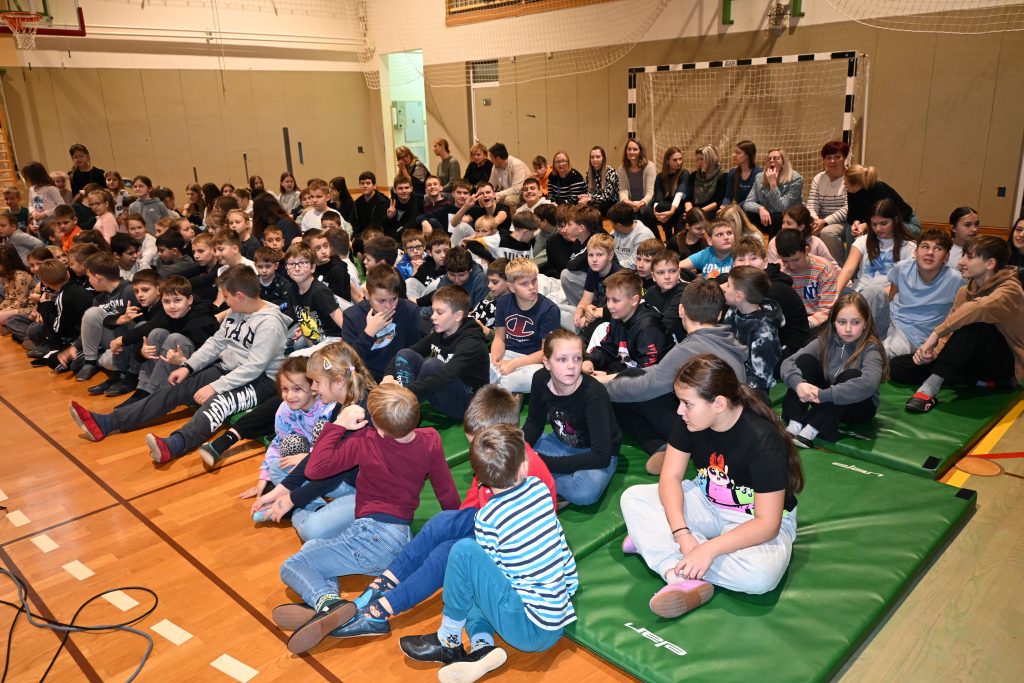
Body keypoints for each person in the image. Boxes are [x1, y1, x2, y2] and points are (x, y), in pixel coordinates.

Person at [324, 386, 555, 644]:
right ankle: (383, 585)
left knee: (446, 553)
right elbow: (474, 501)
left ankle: (383, 610)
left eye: (475, 446)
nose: (473, 453)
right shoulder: (498, 456)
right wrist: (452, 525)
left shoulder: (527, 469)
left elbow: (535, 532)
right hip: (487, 520)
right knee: (442, 523)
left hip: (509, 542)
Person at [274, 384, 460, 655]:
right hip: (398, 540)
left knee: (292, 565)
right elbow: (447, 493)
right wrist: (453, 531)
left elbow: (315, 469)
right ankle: (326, 604)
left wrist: (338, 424)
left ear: (380, 428)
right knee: (313, 547)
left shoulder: (367, 441)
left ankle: (328, 604)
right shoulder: (430, 438)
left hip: (371, 536)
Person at [619, 354, 803, 618]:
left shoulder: (763, 441)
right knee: (633, 497)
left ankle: (656, 542)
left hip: (754, 521)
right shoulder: (690, 420)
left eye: (687, 404)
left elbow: (767, 524)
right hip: (707, 499)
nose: (679, 411)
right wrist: (682, 534)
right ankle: (676, 575)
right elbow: (670, 477)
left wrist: (708, 549)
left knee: (760, 577)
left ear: (718, 404)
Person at [399, 423, 578, 681]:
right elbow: (560, 544)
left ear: (480, 479)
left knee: (463, 553)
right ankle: (482, 648)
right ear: (524, 467)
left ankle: (448, 640)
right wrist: (569, 587)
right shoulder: (540, 490)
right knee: (476, 578)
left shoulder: (488, 517)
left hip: (526, 628)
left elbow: (486, 579)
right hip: (555, 620)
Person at [69, 265, 290, 464]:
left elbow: (253, 368)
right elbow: (215, 343)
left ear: (240, 296)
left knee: (217, 403)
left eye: (226, 297)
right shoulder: (237, 311)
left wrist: (215, 387)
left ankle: (175, 444)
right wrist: (188, 367)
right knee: (174, 389)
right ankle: (107, 423)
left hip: (261, 381)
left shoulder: (269, 324)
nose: (225, 302)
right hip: (227, 369)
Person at [602, 279, 748, 475]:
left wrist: (601, 390)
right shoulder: (726, 341)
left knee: (626, 393)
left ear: (681, 310)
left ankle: (660, 445)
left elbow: (647, 385)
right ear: (720, 314)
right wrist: (612, 378)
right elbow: (657, 371)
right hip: (727, 427)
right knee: (633, 377)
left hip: (705, 432)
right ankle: (663, 446)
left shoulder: (690, 349)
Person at [893, 236, 1024, 413]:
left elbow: (980, 308)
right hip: (970, 360)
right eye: (963, 256)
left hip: (1003, 363)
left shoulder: (1011, 289)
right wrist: (933, 354)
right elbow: (950, 329)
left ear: (990, 263)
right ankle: (974, 381)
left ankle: (928, 389)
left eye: (969, 257)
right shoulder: (965, 290)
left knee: (975, 323)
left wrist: (934, 334)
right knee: (899, 366)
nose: (961, 262)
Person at [523, 328, 622, 507]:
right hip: (559, 442)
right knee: (512, 450)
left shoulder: (594, 394)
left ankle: (535, 476)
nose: (572, 366)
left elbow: (601, 455)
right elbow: (534, 423)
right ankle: (543, 476)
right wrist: (517, 449)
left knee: (584, 492)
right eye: (562, 359)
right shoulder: (540, 379)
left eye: (577, 358)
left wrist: (544, 463)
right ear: (547, 363)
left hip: (593, 452)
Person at [781, 292, 887, 446]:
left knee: (852, 375)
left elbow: (869, 384)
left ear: (866, 323)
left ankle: (812, 428)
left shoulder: (870, 349)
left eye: (856, 322)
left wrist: (824, 394)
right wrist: (799, 384)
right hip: (823, 399)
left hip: (856, 407)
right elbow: (788, 362)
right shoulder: (824, 341)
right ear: (833, 322)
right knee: (805, 361)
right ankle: (795, 422)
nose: (848, 329)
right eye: (842, 322)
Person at [110, 275, 219, 404]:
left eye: (177, 300)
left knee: (175, 338)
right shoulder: (167, 318)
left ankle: (152, 396)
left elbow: (213, 361)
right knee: (157, 333)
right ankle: (143, 389)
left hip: (199, 376)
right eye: (166, 301)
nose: (172, 306)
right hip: (177, 373)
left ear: (190, 300)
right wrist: (142, 352)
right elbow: (143, 337)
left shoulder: (201, 322)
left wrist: (184, 362)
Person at [241, 356, 336, 501]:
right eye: (285, 389)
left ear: (314, 388)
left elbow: (335, 449)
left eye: (297, 389)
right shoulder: (285, 410)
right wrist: (264, 477)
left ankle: (308, 495)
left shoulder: (329, 409)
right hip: (305, 465)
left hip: (327, 461)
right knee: (286, 448)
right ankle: (312, 501)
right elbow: (278, 443)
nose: (290, 396)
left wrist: (306, 458)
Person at [386, 284, 489, 419]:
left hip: (468, 405)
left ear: (458, 315)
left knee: (432, 365)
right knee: (405, 354)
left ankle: (403, 402)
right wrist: (388, 376)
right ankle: (404, 405)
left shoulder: (471, 342)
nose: (433, 317)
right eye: (433, 311)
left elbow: (446, 375)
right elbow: (407, 353)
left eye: (439, 312)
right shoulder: (441, 333)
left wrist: (406, 390)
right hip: (444, 392)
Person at [835, 198, 916, 337]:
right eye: (874, 224)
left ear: (895, 220)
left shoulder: (909, 247)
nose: (878, 228)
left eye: (884, 223)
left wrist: (872, 297)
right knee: (841, 294)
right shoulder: (862, 241)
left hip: (886, 299)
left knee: (872, 293)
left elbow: (903, 284)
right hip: (858, 294)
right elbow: (848, 270)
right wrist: (835, 293)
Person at [885, 228, 963, 358]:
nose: (930, 252)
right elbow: (891, 296)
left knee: (886, 352)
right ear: (916, 252)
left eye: (938, 249)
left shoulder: (956, 280)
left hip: (916, 335)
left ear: (946, 257)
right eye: (925, 247)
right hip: (891, 320)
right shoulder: (902, 268)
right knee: (872, 292)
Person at [490, 258, 561, 393]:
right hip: (507, 354)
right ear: (511, 287)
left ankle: (496, 388)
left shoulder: (550, 310)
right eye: (524, 283)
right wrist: (495, 360)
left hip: (533, 361)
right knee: (480, 363)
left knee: (538, 377)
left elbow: (546, 352)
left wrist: (513, 364)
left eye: (534, 281)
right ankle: (503, 388)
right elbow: (499, 338)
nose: (532, 287)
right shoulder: (503, 302)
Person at [341, 264, 421, 380]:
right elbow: (348, 361)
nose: (388, 306)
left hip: (399, 374)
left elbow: (414, 352)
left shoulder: (409, 310)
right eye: (381, 301)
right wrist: (369, 332)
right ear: (367, 294)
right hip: (366, 378)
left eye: (394, 299)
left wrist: (394, 376)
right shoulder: (352, 316)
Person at [586, 270, 665, 373]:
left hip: (653, 377)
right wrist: (590, 361)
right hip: (628, 369)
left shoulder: (648, 328)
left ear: (634, 300)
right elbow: (608, 349)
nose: (609, 306)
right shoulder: (618, 316)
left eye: (615, 300)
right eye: (608, 299)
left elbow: (646, 373)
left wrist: (608, 377)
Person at [722, 266, 783, 394]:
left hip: (753, 389)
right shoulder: (734, 310)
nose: (724, 288)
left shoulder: (762, 332)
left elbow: (761, 378)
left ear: (739, 296)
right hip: (733, 372)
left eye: (728, 285)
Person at [283, 243, 346, 356]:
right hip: (316, 338)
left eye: (303, 263)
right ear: (286, 269)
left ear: (312, 267)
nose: (297, 268)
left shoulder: (319, 292)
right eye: (291, 264)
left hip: (333, 340)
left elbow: (344, 324)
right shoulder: (291, 289)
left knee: (294, 356)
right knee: (290, 344)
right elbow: (304, 318)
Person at [775, 229, 840, 330]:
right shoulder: (778, 270)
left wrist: (802, 326)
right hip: (788, 321)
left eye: (796, 260)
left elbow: (826, 309)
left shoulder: (823, 269)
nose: (791, 266)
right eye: (785, 261)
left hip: (816, 321)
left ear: (806, 250)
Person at [844, 164, 920, 238]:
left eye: (846, 182)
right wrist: (855, 222)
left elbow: (887, 220)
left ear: (857, 185)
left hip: (905, 223)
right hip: (880, 223)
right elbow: (852, 215)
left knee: (878, 230)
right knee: (851, 229)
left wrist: (866, 225)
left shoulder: (878, 190)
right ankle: (854, 247)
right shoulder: (852, 191)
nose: (844, 184)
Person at [742, 148, 803, 238]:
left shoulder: (795, 179)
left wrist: (773, 184)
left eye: (776, 158)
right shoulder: (759, 177)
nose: (771, 161)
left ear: (783, 163)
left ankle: (774, 246)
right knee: (748, 214)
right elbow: (747, 203)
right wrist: (760, 208)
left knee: (777, 217)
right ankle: (751, 244)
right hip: (766, 217)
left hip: (788, 218)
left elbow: (782, 208)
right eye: (769, 159)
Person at [808, 141, 851, 264]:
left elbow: (847, 208)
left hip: (844, 222)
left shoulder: (850, 177)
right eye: (828, 157)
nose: (832, 161)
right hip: (820, 220)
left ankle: (841, 267)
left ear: (844, 158)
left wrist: (825, 222)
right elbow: (812, 203)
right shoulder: (819, 178)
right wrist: (815, 221)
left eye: (837, 157)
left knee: (827, 233)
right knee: (803, 229)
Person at [572, 232, 621, 326]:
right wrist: (579, 310)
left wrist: (589, 317)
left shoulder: (619, 276)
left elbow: (618, 308)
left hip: (611, 318)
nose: (594, 260)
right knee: (561, 310)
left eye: (599, 255)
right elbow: (586, 298)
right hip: (595, 311)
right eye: (590, 255)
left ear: (610, 256)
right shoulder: (592, 270)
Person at [767, 204, 836, 266]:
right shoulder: (774, 242)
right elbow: (772, 269)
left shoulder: (816, 242)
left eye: (789, 223)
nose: (783, 226)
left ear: (801, 227)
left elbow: (832, 265)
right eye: (783, 222)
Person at [645, 146, 689, 238]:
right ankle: (657, 239)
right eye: (675, 160)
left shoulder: (684, 174)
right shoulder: (660, 176)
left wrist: (671, 212)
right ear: (667, 161)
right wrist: (655, 211)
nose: (679, 162)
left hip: (677, 208)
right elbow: (658, 197)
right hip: (663, 209)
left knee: (665, 207)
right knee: (647, 212)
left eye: (680, 159)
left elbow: (679, 195)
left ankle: (669, 237)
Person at [645, 250, 686, 346]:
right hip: (653, 339)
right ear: (653, 276)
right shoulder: (651, 292)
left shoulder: (685, 292)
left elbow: (668, 323)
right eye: (661, 273)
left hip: (677, 344)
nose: (667, 277)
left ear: (679, 272)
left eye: (672, 271)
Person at [607, 201, 656, 271]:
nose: (611, 226)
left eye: (611, 223)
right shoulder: (617, 231)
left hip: (631, 273)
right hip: (616, 268)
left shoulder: (643, 235)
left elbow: (634, 264)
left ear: (619, 225)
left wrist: (609, 266)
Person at [686, 144, 727, 219]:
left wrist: (697, 213)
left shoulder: (723, 176)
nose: (699, 162)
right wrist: (689, 212)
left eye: (701, 159)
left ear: (710, 159)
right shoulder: (693, 175)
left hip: (711, 212)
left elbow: (717, 202)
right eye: (697, 160)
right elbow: (687, 198)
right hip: (693, 210)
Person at [21, 161, 66, 230]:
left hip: (52, 223)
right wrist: (33, 212)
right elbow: (30, 205)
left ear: (33, 176)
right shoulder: (32, 189)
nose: (25, 179)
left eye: (26, 176)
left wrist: (45, 214)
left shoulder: (50, 188)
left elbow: (61, 205)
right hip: (39, 224)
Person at [616, 139, 656, 215]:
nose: (631, 152)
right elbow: (623, 191)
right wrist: (629, 203)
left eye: (635, 149)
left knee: (645, 212)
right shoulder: (622, 169)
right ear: (626, 151)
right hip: (629, 203)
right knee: (615, 212)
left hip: (646, 203)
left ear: (640, 151)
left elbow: (650, 192)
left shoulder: (649, 166)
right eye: (629, 149)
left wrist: (641, 203)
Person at [577, 145, 619, 215]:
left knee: (594, 208)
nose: (595, 159)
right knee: (580, 206)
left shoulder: (611, 172)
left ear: (603, 158)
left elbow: (607, 196)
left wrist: (590, 198)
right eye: (592, 157)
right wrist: (584, 196)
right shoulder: (589, 172)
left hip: (610, 203)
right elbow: (589, 191)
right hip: (595, 201)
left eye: (598, 157)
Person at [487, 143, 529, 210]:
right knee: (486, 198)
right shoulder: (495, 166)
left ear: (498, 158)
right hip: (506, 192)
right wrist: (485, 192)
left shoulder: (516, 165)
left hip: (521, 193)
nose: (491, 161)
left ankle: (515, 217)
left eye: (491, 158)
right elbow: (491, 184)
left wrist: (497, 195)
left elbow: (516, 189)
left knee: (508, 199)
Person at [0, 244, 33, 329]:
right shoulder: (5, 276)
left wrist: (4, 311)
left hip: (29, 308)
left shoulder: (20, 277)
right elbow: (9, 298)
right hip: (16, 307)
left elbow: (20, 302)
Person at [720, 140, 761, 210]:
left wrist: (734, 209)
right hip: (738, 210)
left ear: (748, 155)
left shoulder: (759, 173)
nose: (734, 155)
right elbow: (728, 197)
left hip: (753, 210)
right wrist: (724, 206)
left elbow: (754, 199)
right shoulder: (732, 172)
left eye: (738, 153)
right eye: (734, 152)